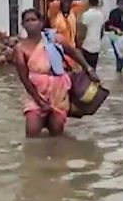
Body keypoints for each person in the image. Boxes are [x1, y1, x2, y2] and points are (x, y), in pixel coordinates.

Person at [14, 9, 99, 138]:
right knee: (31, 132)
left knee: (57, 130)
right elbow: (24, 78)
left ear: (41, 22)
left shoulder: (54, 38)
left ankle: (56, 156)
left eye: (34, 19)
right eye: (27, 20)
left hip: (59, 92)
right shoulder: (20, 48)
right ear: (23, 25)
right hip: (36, 93)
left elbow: (73, 52)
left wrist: (88, 69)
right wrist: (39, 101)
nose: (31, 23)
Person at [80, 0, 105, 70]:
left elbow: (82, 31)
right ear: (98, 2)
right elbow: (102, 32)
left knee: (85, 70)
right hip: (96, 46)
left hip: (86, 45)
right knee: (93, 69)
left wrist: (79, 44)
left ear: (88, 1)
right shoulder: (101, 15)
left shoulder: (85, 15)